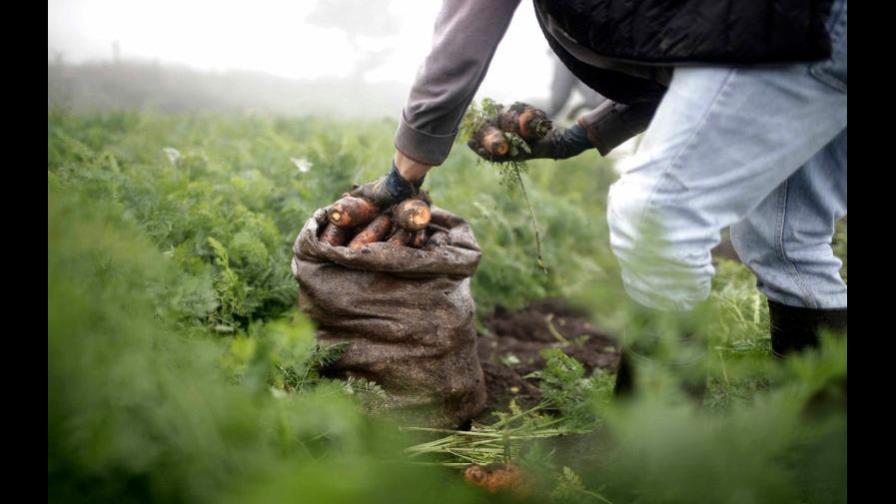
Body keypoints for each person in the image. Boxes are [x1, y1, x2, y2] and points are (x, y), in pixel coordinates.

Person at [350, 0, 847, 397]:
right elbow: (693, 46)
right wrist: (581, 136)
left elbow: (462, 37)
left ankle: (663, 459)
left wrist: (406, 167)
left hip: (800, 22)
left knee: (654, 217)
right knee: (785, 238)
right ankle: (819, 444)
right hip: (814, 27)